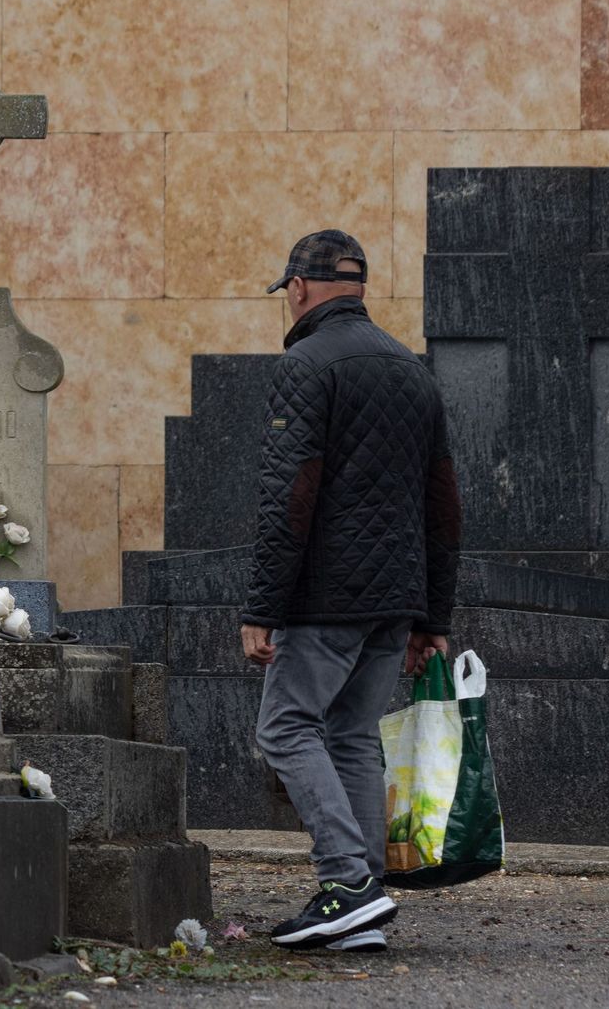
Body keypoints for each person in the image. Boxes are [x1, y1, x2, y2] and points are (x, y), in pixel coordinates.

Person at [239, 230, 462, 954]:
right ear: (360, 288)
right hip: (394, 596)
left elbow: (289, 495)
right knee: (352, 735)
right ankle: (363, 897)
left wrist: (262, 607)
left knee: (285, 727)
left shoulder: (307, 364)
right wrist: (433, 613)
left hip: (327, 594)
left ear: (298, 288)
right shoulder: (411, 369)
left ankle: (348, 882)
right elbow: (443, 502)